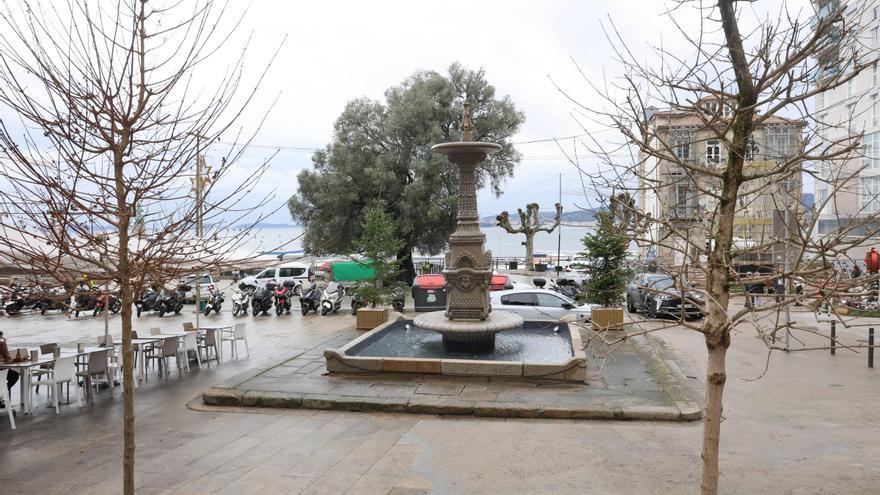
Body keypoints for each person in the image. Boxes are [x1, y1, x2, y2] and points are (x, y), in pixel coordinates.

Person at [0, 331, 20, 408]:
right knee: (14, 375)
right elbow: (7, 359)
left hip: (3, 370)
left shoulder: (2, 345)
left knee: (13, 375)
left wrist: (5, 349)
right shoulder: (1, 345)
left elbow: (7, 359)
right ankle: (4, 395)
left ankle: (3, 396)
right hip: (2, 370)